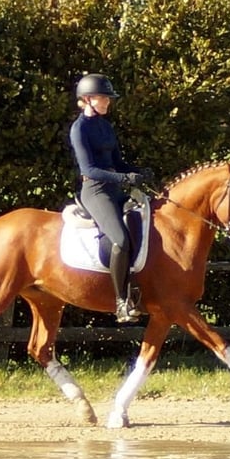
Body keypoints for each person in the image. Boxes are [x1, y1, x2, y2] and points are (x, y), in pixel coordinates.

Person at [69, 73, 153, 323]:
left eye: (108, 98)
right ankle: (120, 303)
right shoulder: (79, 129)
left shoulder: (106, 127)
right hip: (95, 191)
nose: (107, 102)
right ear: (87, 99)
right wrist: (125, 179)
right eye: (103, 97)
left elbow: (117, 163)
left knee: (143, 227)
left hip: (115, 189)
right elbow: (89, 170)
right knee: (119, 240)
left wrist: (138, 171)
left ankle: (138, 291)